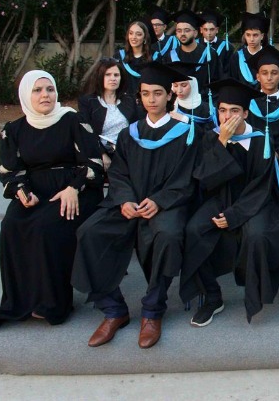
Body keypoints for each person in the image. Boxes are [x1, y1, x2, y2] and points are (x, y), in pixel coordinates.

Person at [72, 62, 199, 349]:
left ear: (170, 96)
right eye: (145, 93)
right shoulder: (129, 134)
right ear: (139, 96)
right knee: (90, 232)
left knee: (167, 235)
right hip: (129, 202)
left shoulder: (185, 134)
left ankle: (153, 310)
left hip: (166, 204)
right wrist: (125, 199)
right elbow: (118, 173)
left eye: (157, 93)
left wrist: (159, 200)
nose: (151, 99)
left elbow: (187, 179)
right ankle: (113, 309)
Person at [0, 71, 104, 332]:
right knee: (11, 225)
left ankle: (52, 302)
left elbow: (94, 164)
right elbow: (10, 170)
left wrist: (73, 188)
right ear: (25, 95)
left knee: (45, 228)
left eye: (50, 89)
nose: (45, 95)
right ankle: (20, 300)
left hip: (76, 190)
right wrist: (21, 190)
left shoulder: (73, 121)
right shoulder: (14, 130)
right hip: (35, 190)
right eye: (37, 90)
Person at [180, 78, 279, 326]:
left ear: (246, 113)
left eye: (234, 110)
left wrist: (234, 215)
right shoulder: (210, 138)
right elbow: (205, 181)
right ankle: (212, 297)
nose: (227, 116)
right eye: (222, 110)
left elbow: (262, 186)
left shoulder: (261, 139)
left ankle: (253, 297)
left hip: (254, 203)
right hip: (219, 198)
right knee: (194, 229)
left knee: (257, 234)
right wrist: (222, 142)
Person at [245, 46, 279, 204]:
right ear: (258, 77)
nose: (269, 77)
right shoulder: (249, 105)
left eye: (274, 73)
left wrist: (278, 154)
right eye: (264, 73)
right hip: (254, 161)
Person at [78, 57, 138, 170]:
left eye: (116, 75)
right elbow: (86, 132)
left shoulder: (129, 100)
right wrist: (102, 154)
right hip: (100, 153)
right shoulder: (88, 101)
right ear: (100, 76)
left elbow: (137, 126)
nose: (113, 78)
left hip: (128, 151)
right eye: (108, 75)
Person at [162, 9, 222, 91]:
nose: (182, 34)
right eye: (179, 31)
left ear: (195, 33)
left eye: (187, 30)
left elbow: (217, 83)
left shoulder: (209, 54)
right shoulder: (170, 56)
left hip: (203, 98)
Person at [117, 19, 159, 102]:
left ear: (145, 38)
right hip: (125, 101)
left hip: (147, 101)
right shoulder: (120, 56)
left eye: (138, 34)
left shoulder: (155, 57)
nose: (133, 37)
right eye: (131, 33)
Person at [168, 61, 216, 130]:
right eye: (175, 86)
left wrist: (186, 119)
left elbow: (209, 134)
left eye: (184, 85)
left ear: (193, 85)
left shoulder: (206, 109)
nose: (179, 90)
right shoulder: (169, 106)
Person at [229, 12, 271, 88]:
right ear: (244, 35)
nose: (251, 39)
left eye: (255, 35)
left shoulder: (270, 57)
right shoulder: (237, 57)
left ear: (262, 36)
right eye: (248, 35)